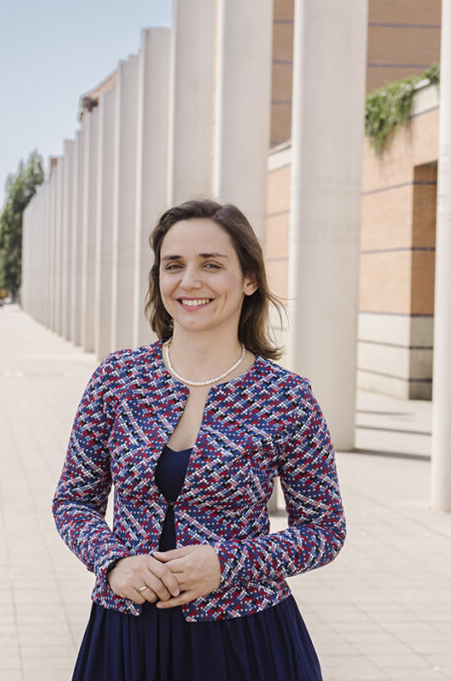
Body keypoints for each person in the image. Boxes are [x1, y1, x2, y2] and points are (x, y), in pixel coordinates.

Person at [53, 199, 346, 680]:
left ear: (249, 279)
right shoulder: (118, 378)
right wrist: (113, 563)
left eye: (211, 264)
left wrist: (227, 562)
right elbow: (72, 501)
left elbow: (325, 530)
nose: (190, 282)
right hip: (127, 635)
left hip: (245, 640)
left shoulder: (286, 397)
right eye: (174, 266)